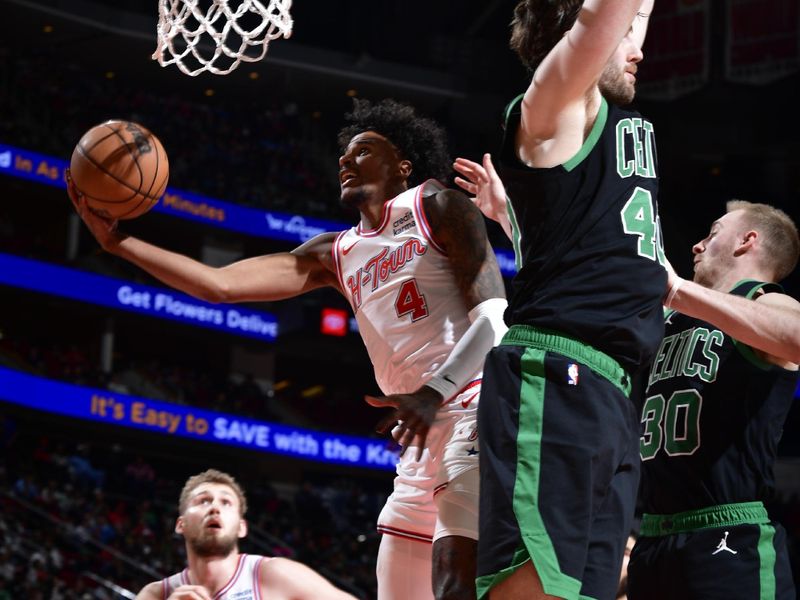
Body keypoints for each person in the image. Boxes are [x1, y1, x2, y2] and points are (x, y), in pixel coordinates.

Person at [68, 98, 508, 600]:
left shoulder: (436, 205)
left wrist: (435, 392)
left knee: (456, 584)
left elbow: (496, 319)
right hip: (415, 439)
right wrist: (118, 243)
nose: (345, 159)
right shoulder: (334, 254)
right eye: (343, 152)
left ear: (402, 166)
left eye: (363, 150)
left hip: (473, 405)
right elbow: (219, 285)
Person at [454, 1, 663, 598]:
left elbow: (569, 251)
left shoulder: (596, 122)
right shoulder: (555, 100)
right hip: (558, 374)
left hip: (616, 392)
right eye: (628, 33)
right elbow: (602, 18)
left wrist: (512, 220)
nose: (639, 46)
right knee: (537, 588)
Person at [627, 201, 800, 599]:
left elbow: (794, 336)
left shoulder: (765, 299)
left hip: (729, 533)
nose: (697, 245)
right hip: (653, 536)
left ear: (747, 241)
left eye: (713, 232)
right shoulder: (672, 316)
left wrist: (678, 290)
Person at [134, 469, 356, 599]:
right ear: (180, 524)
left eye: (226, 502)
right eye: (203, 500)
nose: (214, 508)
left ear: (242, 527)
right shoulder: (157, 594)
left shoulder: (273, 574)